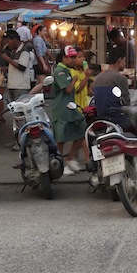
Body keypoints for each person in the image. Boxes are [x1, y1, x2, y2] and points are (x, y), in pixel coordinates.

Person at [52, 46, 86, 176]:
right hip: (62, 109)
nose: (73, 60)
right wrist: (74, 80)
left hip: (71, 107)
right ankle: (60, 164)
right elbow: (68, 89)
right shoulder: (60, 71)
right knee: (60, 139)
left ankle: (70, 157)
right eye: (71, 57)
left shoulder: (67, 70)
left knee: (82, 130)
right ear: (64, 58)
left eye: (74, 57)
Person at [92, 47, 131, 131]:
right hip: (117, 120)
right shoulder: (120, 78)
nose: (125, 63)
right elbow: (126, 102)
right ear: (119, 60)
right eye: (124, 60)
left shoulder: (97, 77)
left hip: (101, 118)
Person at [0, 29, 32, 105]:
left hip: (20, 86)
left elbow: (22, 67)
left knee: (21, 110)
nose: (7, 44)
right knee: (15, 110)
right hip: (12, 85)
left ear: (14, 40)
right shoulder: (14, 51)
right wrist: (7, 68)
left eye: (8, 42)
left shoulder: (24, 51)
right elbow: (15, 65)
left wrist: (8, 59)